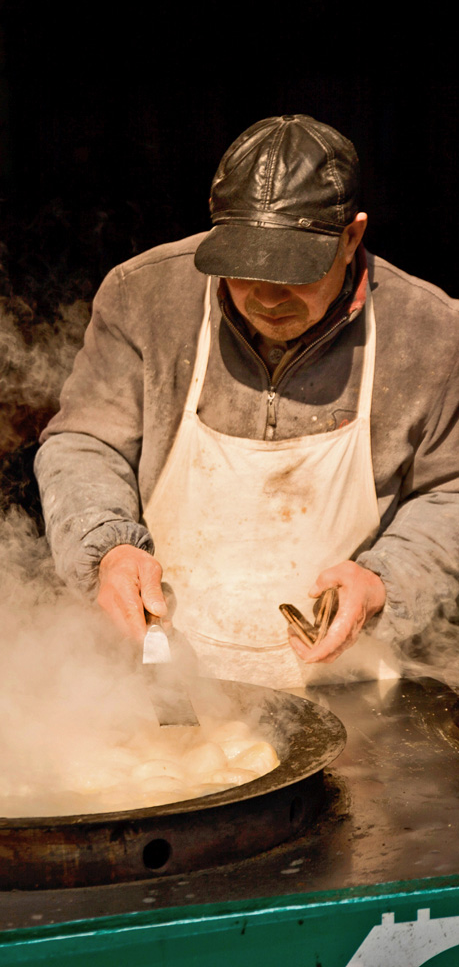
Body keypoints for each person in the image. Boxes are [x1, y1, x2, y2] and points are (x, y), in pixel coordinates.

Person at [34, 114, 459, 687]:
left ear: (352, 236)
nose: (267, 297)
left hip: (349, 681)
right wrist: (107, 548)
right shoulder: (144, 296)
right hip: (160, 669)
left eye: (294, 273)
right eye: (243, 268)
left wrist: (386, 581)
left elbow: (451, 491)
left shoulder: (432, 332)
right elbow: (84, 441)